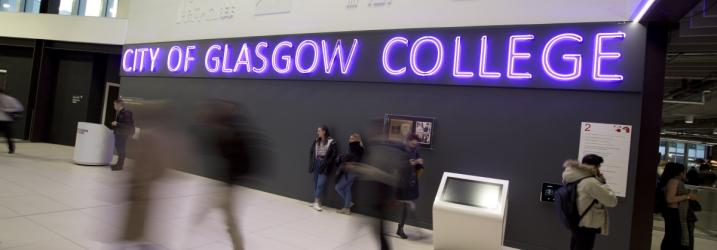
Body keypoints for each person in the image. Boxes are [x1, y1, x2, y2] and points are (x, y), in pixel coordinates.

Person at [191, 100, 258, 250]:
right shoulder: (228, 131)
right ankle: (201, 217)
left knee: (229, 219)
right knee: (226, 215)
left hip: (230, 184)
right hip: (227, 183)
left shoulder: (233, 133)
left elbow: (236, 157)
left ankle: (237, 246)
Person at [562, 154, 618, 250]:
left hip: (575, 221)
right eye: (598, 167)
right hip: (586, 225)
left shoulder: (572, 177)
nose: (599, 170)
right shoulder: (590, 182)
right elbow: (612, 201)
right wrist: (603, 182)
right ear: (594, 167)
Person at [660, 162, 700, 250]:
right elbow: (669, 199)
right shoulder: (674, 181)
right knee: (672, 238)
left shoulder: (673, 181)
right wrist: (687, 196)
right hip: (673, 213)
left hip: (673, 213)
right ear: (680, 172)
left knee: (672, 237)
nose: (685, 174)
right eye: (684, 172)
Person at [395, 134, 424, 239]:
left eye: (416, 141)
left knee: (407, 206)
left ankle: (401, 228)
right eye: (413, 141)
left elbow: (418, 167)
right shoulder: (403, 151)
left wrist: (419, 164)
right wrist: (415, 162)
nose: (415, 143)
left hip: (410, 182)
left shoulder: (415, 151)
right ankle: (401, 229)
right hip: (403, 183)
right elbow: (401, 165)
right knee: (406, 206)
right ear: (408, 141)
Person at [308, 125, 338, 211]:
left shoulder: (331, 142)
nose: (317, 132)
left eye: (319, 131)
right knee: (316, 183)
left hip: (324, 164)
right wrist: (312, 163)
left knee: (321, 183)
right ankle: (316, 201)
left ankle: (316, 202)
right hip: (316, 162)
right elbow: (312, 152)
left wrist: (327, 163)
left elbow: (333, 155)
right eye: (317, 131)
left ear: (324, 131)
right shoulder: (316, 140)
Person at [334, 132, 365, 214]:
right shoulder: (359, 148)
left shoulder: (354, 147)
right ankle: (346, 208)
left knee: (338, 187)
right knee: (347, 189)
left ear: (356, 139)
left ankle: (349, 203)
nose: (349, 139)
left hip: (350, 171)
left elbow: (348, 158)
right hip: (354, 171)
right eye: (349, 138)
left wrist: (340, 157)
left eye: (351, 138)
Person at [111, 99, 135, 170]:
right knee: (120, 150)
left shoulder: (127, 113)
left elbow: (128, 125)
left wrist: (117, 123)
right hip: (119, 134)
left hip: (122, 135)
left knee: (121, 150)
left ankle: (120, 166)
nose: (114, 106)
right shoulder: (120, 113)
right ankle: (118, 165)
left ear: (119, 105)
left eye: (114, 104)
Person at [0, 88, 23, 154]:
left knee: (8, 135)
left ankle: (11, 148)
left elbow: (19, 108)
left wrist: (6, 110)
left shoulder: (10, 99)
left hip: (6, 120)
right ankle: (11, 148)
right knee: (8, 135)